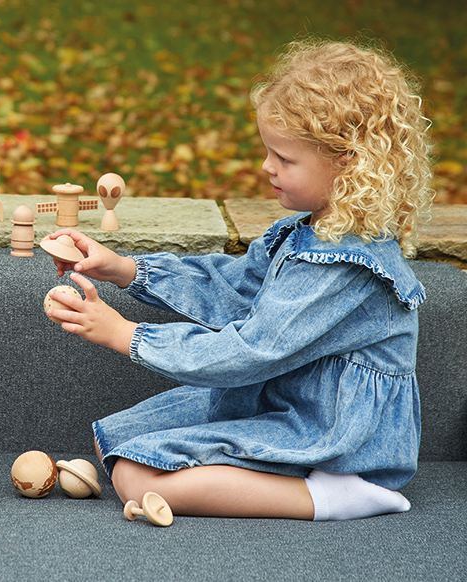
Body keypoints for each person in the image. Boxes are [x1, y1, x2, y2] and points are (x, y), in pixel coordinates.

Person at [44, 39, 434, 520]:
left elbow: (250, 351)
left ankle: (344, 494)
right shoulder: (304, 232)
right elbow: (232, 287)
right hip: (290, 399)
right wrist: (126, 269)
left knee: (136, 475)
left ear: (350, 165)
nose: (267, 167)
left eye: (285, 159)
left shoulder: (346, 265)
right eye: (268, 151)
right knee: (126, 448)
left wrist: (125, 334)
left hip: (340, 435)